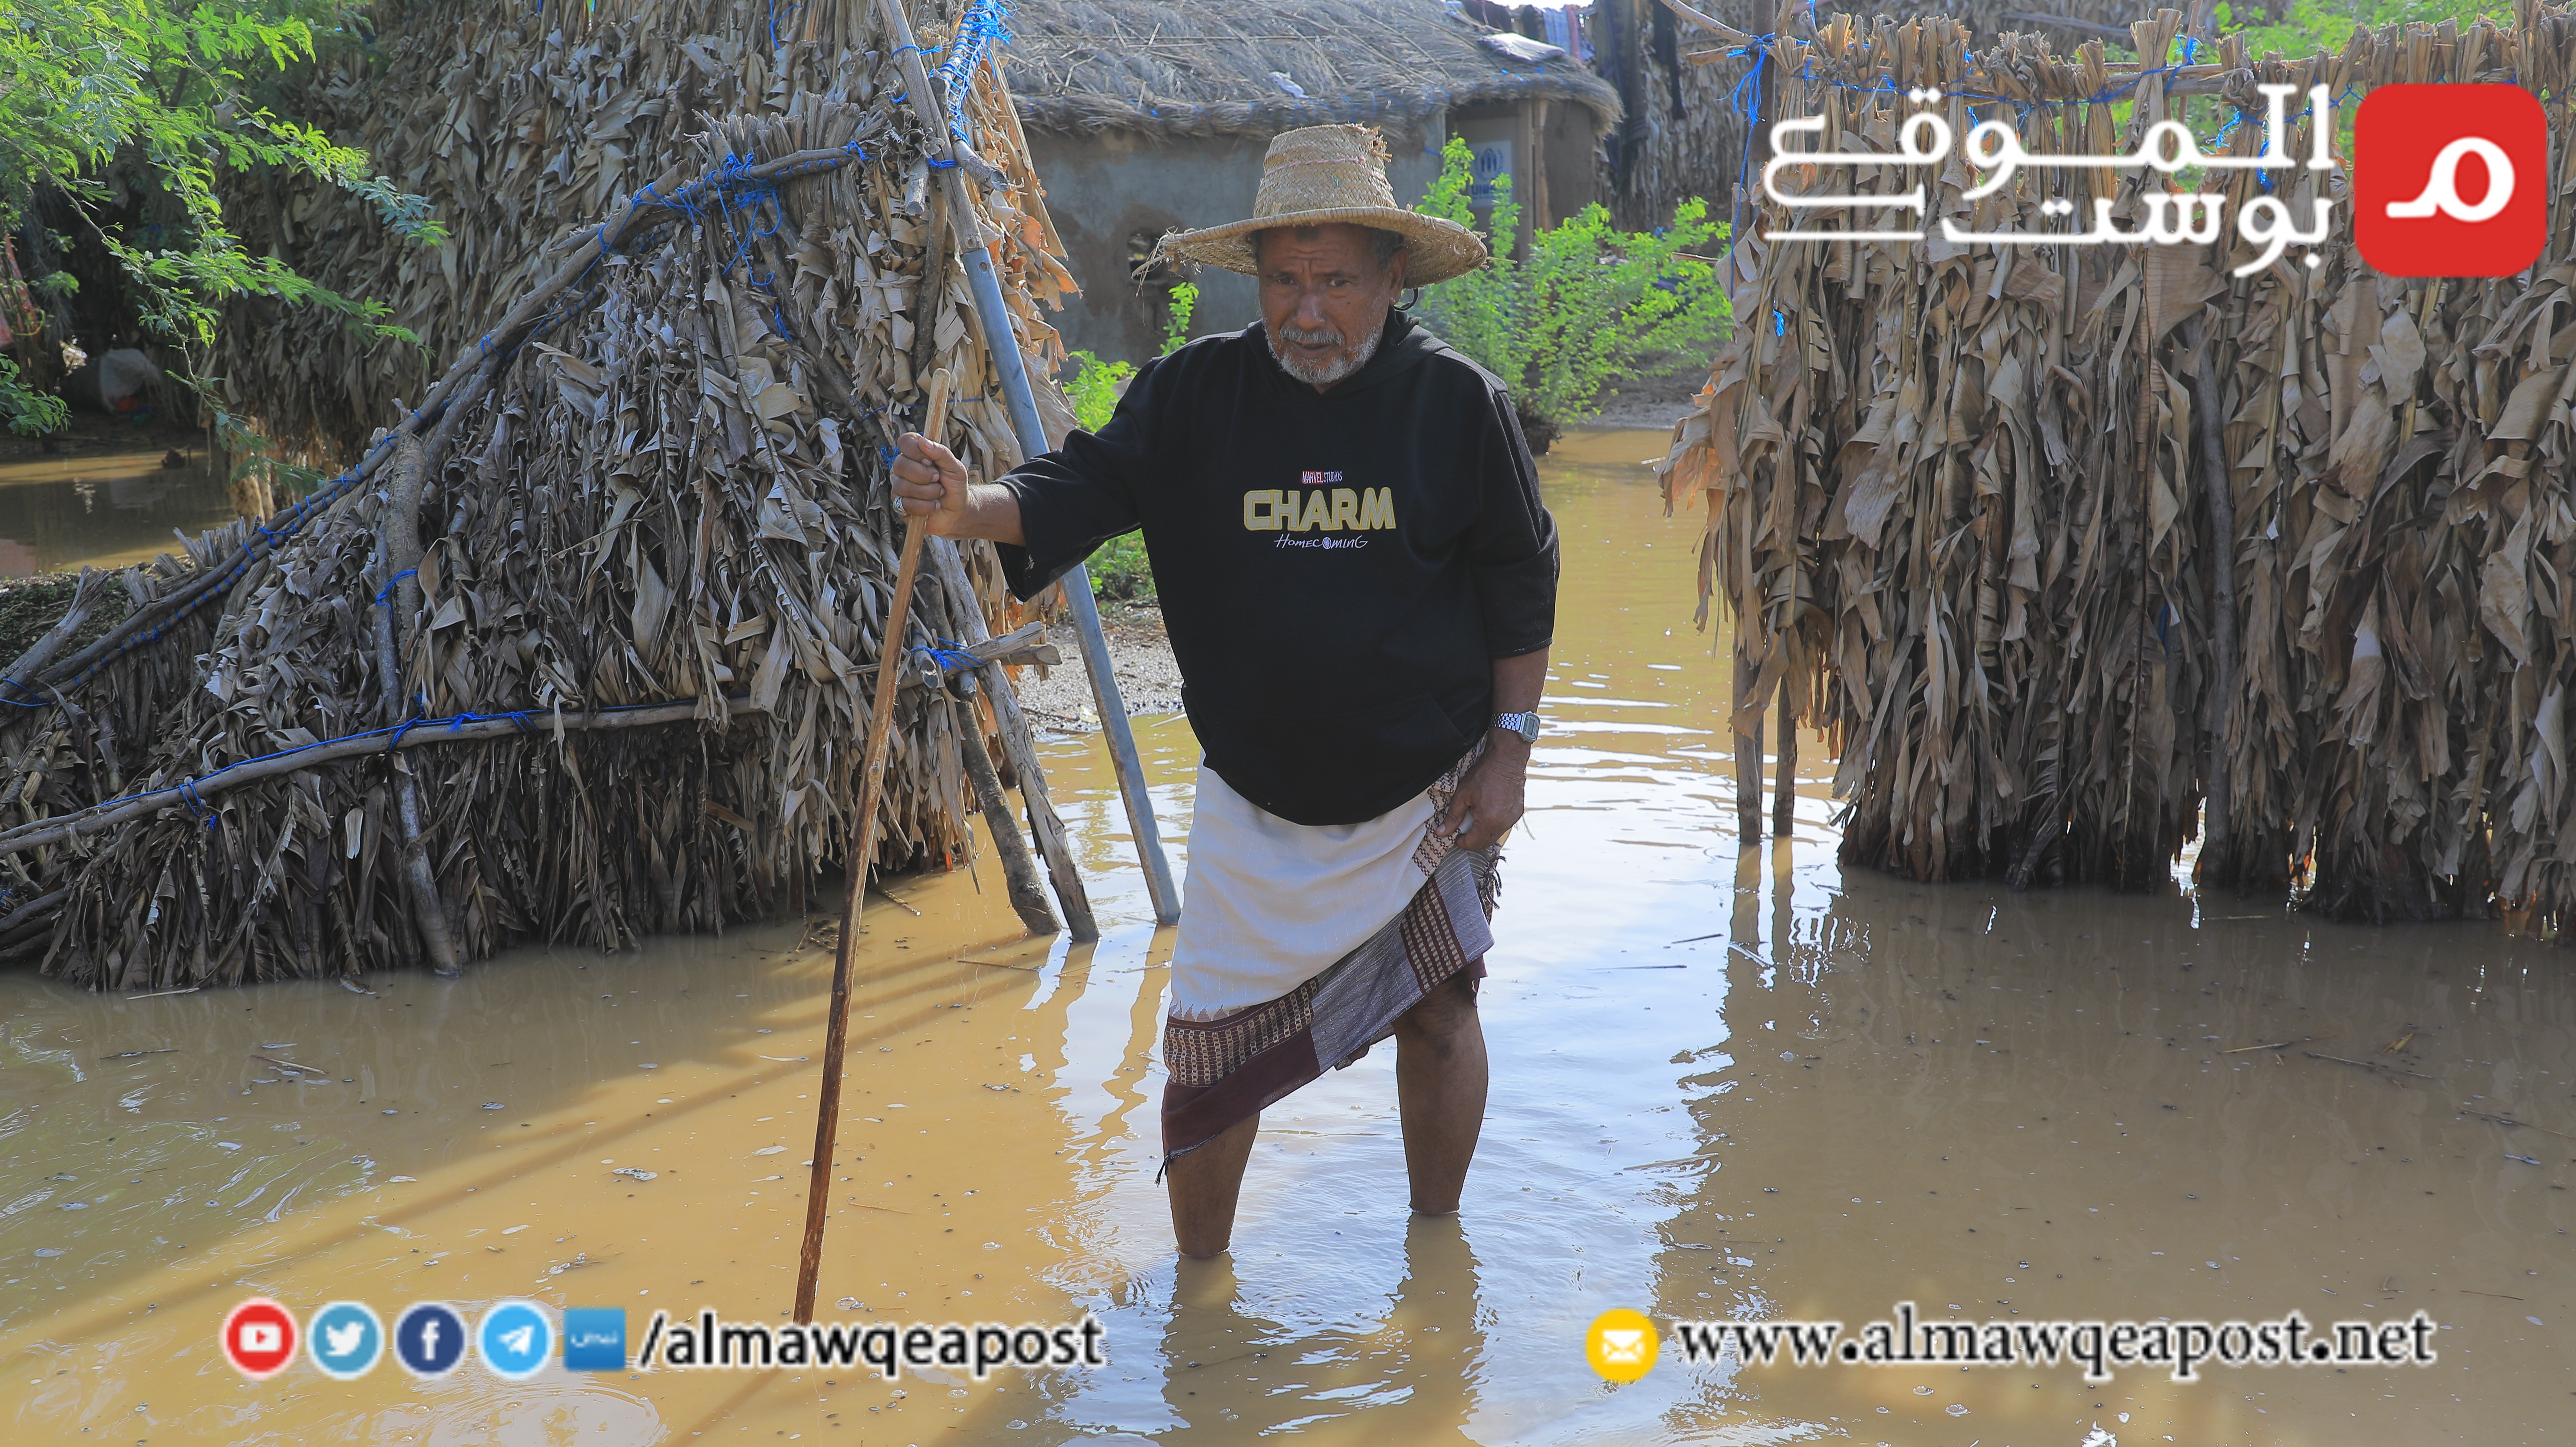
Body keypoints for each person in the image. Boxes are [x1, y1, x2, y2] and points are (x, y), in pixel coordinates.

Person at [890, 124, 1557, 1257]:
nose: (1310, 311)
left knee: (1442, 1012)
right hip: (1254, 799)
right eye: (1287, 282)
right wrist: (968, 509)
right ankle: (1202, 1293)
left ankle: (1436, 1251)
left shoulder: (1457, 405)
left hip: (1424, 787)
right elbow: (1078, 486)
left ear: (1393, 278)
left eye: (1338, 281)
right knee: (1208, 1060)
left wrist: (1509, 752)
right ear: (1255, 281)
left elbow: (1520, 573)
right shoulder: (1194, 396)